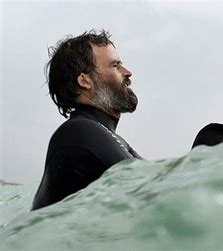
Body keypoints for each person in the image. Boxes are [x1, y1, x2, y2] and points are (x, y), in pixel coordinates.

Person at [32, 30, 141, 210]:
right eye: (116, 65)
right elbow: (149, 190)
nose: (128, 72)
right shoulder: (79, 133)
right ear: (85, 81)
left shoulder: (102, 135)